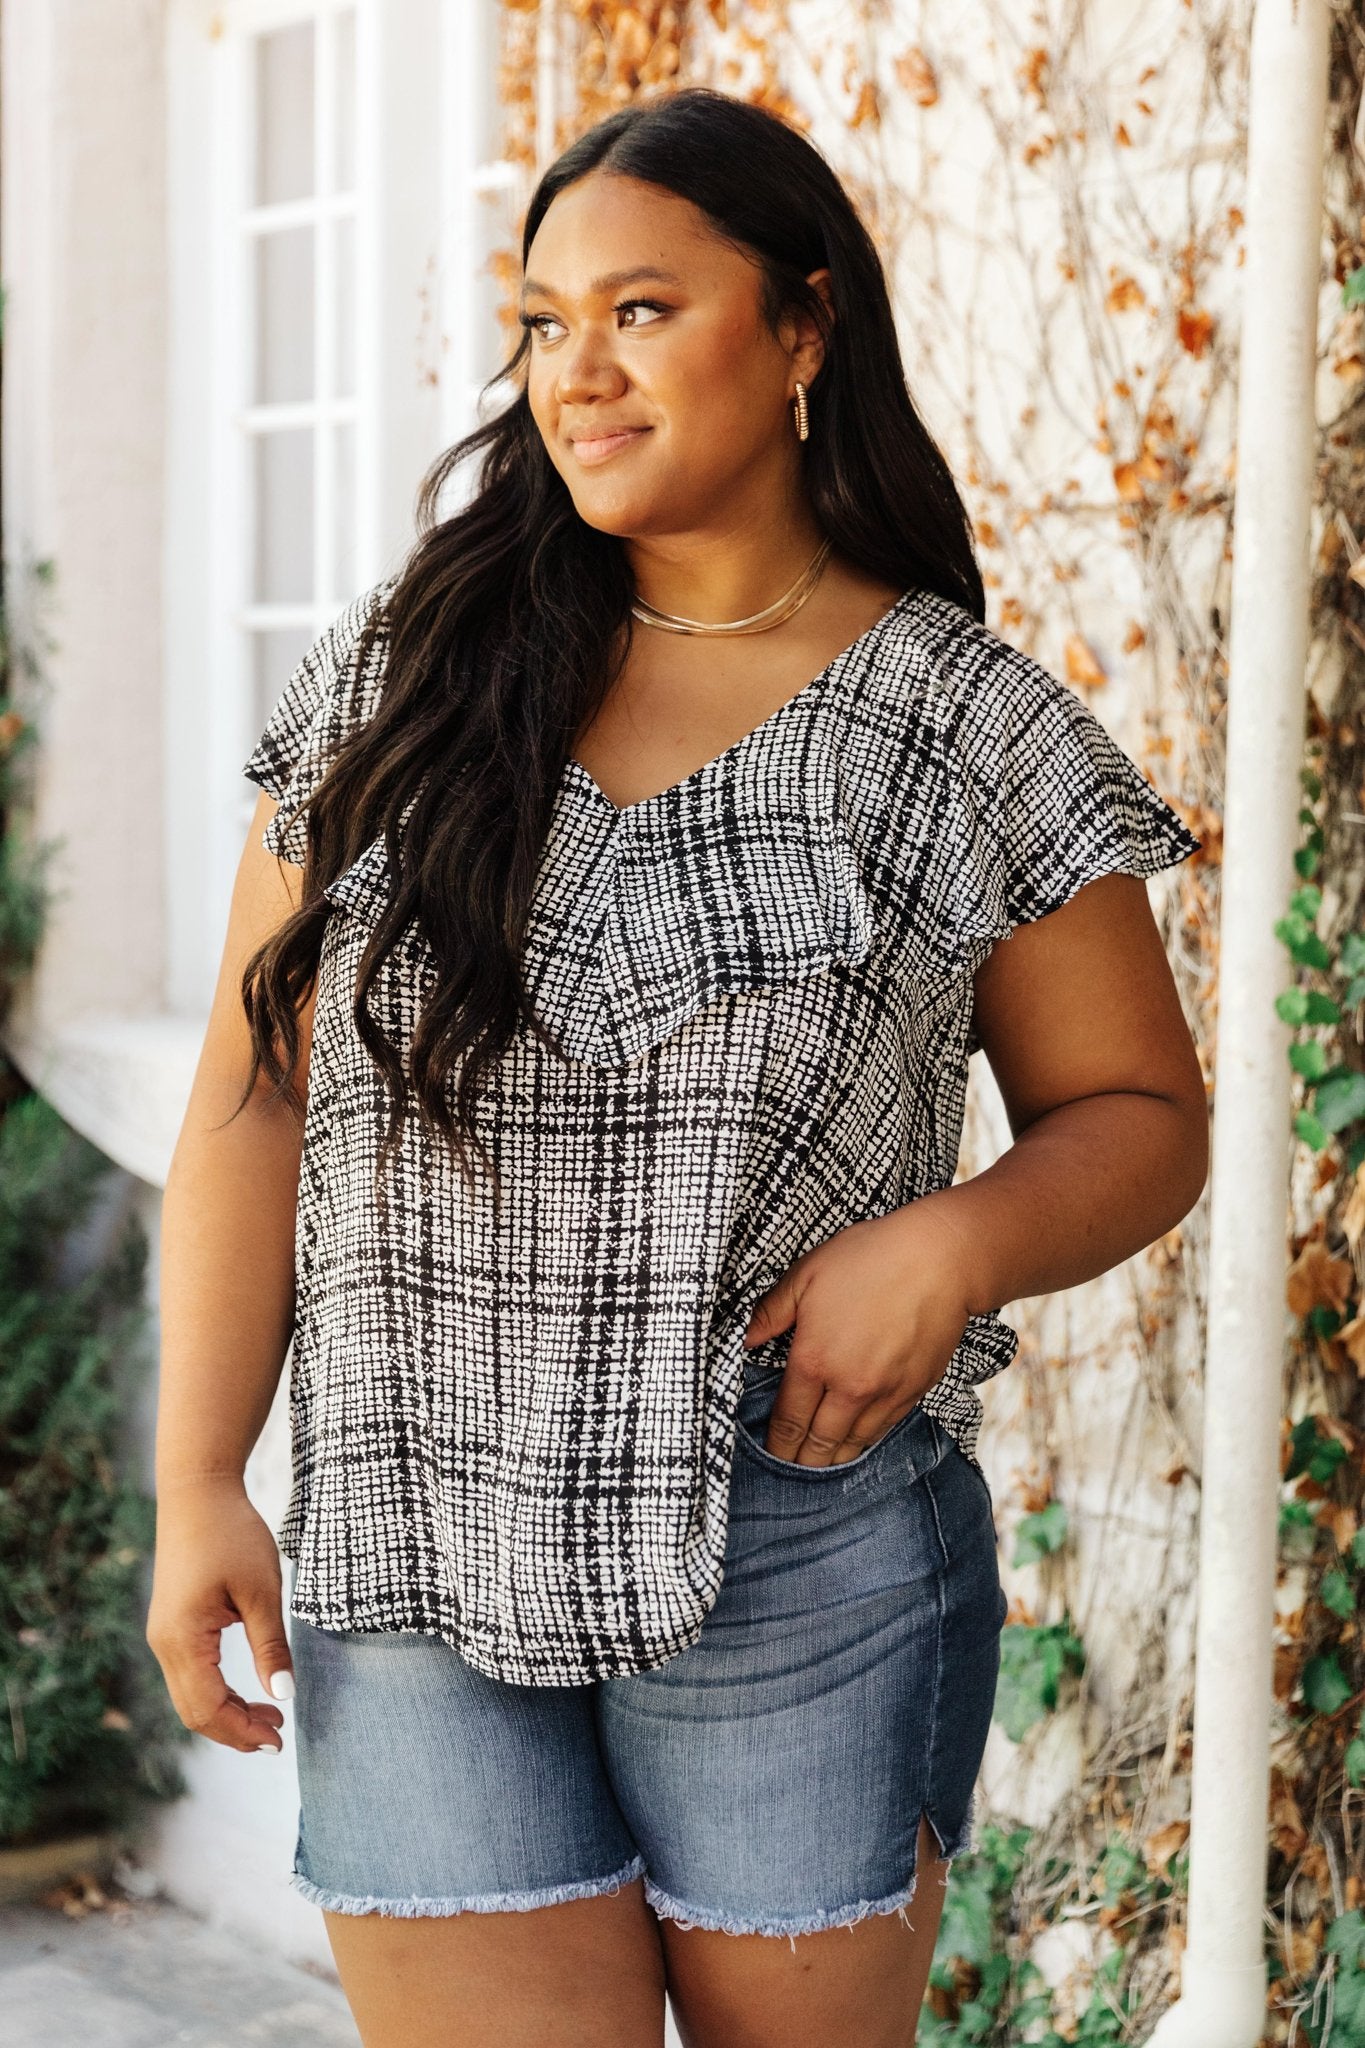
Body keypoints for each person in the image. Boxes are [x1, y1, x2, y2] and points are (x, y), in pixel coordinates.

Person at [147, 85, 1208, 2048]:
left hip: (788, 1543)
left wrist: (953, 1241)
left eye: (640, 308)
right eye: (544, 325)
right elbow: (255, 1097)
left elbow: (1138, 1119)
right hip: (409, 1538)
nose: (579, 371)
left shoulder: (957, 722)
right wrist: (202, 1470)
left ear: (802, 327)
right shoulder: (404, 670)